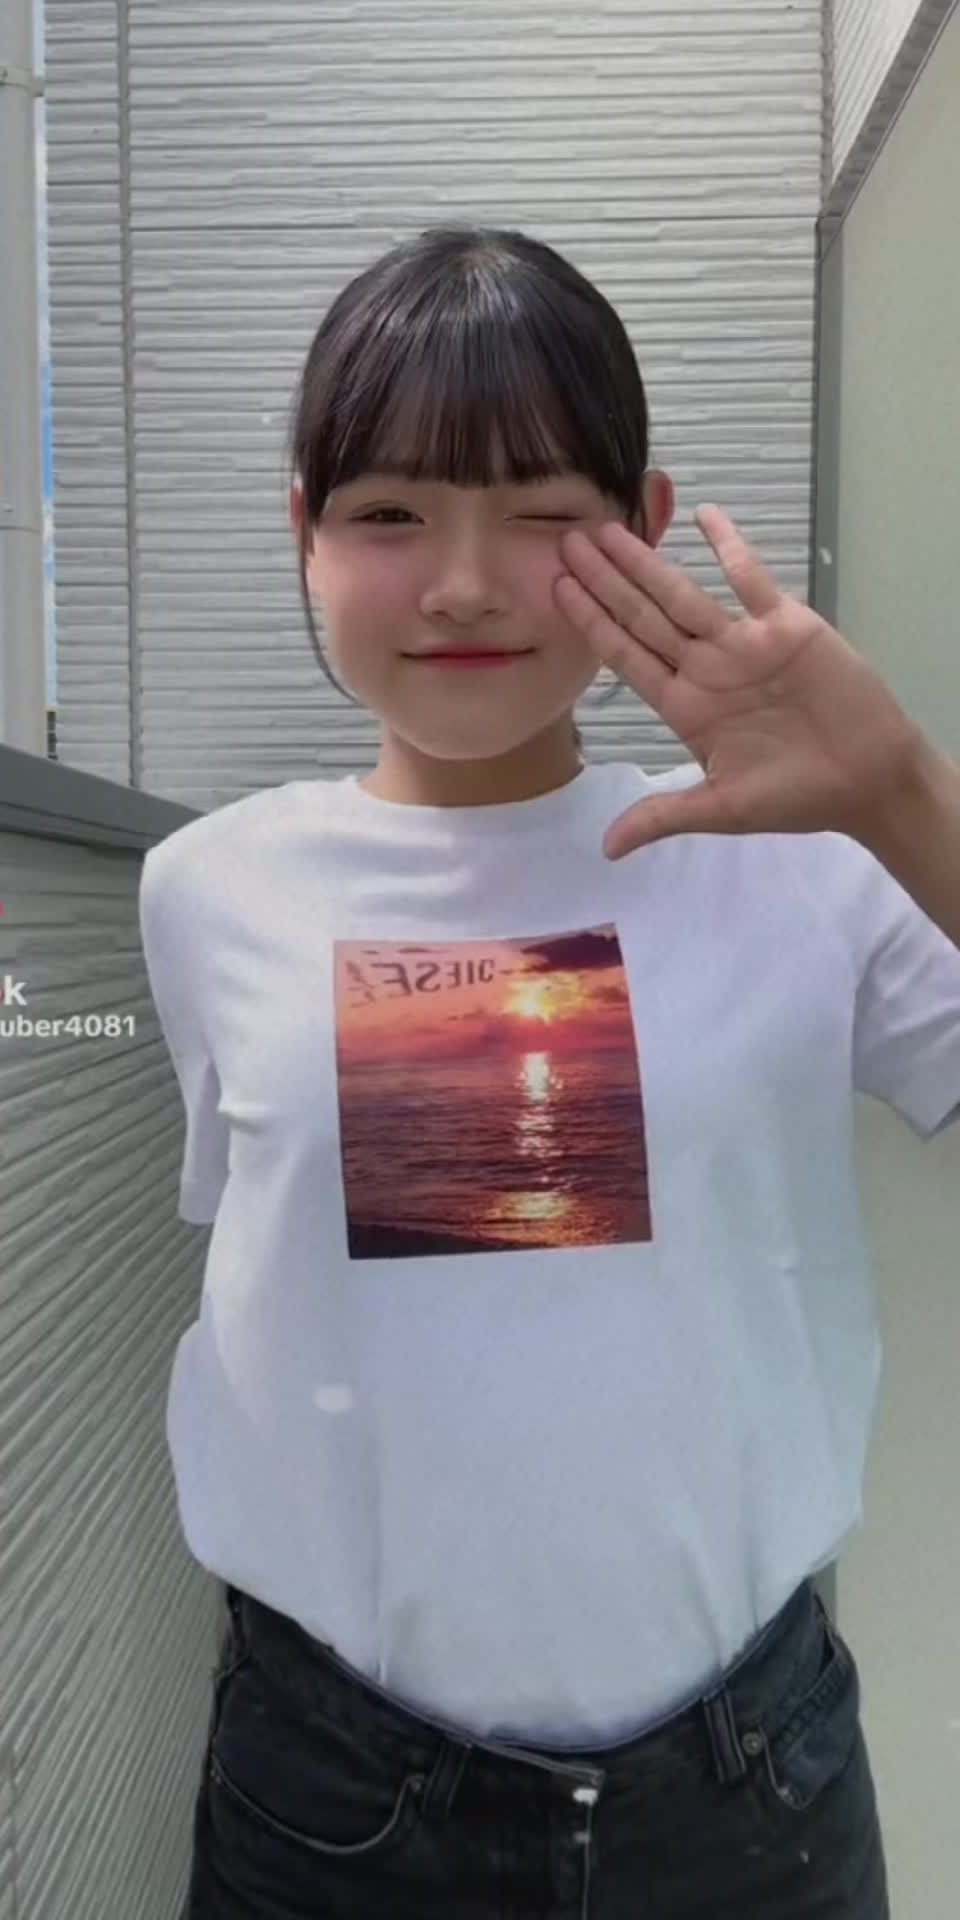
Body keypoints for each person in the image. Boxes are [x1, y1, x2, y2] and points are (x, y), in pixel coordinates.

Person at [138, 225, 960, 1919]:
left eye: (539, 515)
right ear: (302, 532)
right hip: (335, 1798)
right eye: (388, 513)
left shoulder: (808, 858)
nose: (462, 584)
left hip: (743, 1789)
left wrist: (899, 792)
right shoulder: (210, 890)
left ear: (644, 526)